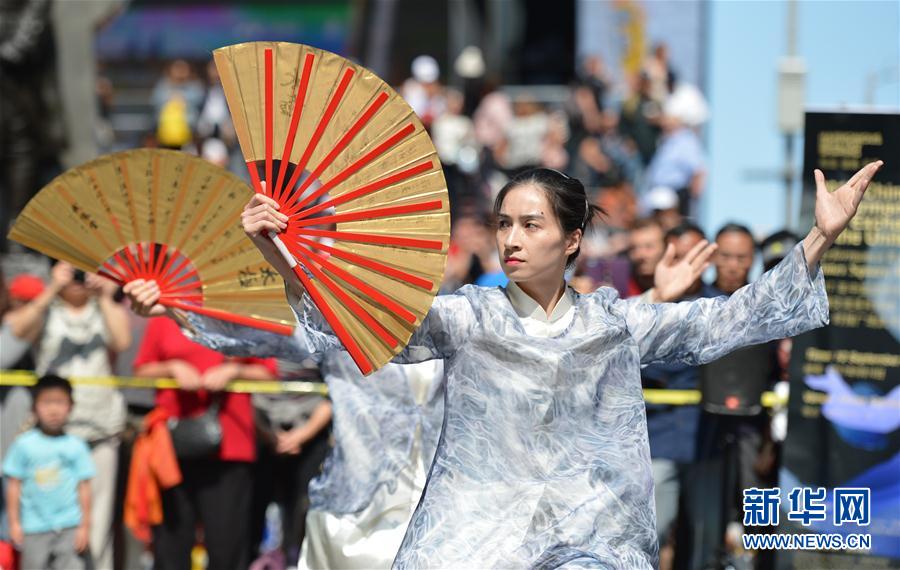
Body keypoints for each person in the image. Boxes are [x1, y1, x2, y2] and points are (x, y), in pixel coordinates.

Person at [128, 161, 882, 567]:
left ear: (574, 238)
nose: (512, 240)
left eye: (531, 224)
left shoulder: (615, 325)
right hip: (469, 534)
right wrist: (280, 254)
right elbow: (346, 325)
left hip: (589, 537)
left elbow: (729, 318)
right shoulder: (464, 316)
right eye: (503, 225)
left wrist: (817, 240)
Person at [4, 261, 129, 570]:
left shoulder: (102, 308)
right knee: (47, 521)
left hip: (100, 430)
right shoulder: (47, 308)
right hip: (52, 435)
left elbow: (123, 341)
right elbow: (15, 329)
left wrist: (102, 294)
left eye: (82, 267)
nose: (76, 275)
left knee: (97, 525)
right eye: (69, 267)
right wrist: (52, 289)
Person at [131, 313, 278, 570]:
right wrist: (172, 367)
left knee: (227, 542)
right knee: (171, 542)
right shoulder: (164, 316)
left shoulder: (240, 315)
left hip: (230, 446)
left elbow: (269, 373)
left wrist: (234, 370)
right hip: (171, 447)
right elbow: (141, 369)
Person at [3, 375, 95, 570]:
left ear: (70, 406)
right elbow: (13, 484)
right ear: (34, 407)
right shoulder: (23, 444)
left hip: (69, 526)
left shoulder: (76, 446)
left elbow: (84, 487)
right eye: (46, 403)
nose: (53, 410)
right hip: (33, 527)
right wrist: (14, 523)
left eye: (60, 402)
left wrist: (85, 526)